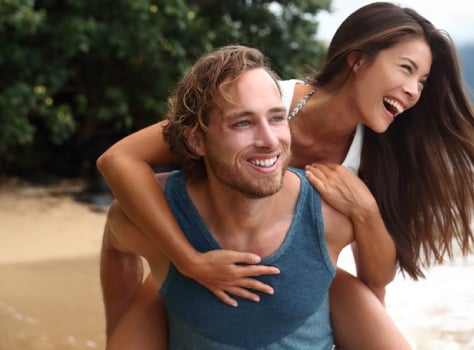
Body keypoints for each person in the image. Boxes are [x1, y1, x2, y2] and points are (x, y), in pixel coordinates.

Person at [98, 1, 474, 347]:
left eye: (422, 81)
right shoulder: (265, 98)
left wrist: (366, 212)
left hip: (303, 283)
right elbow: (120, 160)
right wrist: (186, 260)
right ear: (358, 60)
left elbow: (374, 278)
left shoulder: (373, 159)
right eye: (406, 69)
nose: (413, 90)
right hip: (204, 249)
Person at [103, 45, 407, 349]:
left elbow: (378, 278)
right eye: (243, 123)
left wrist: (366, 211)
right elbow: (116, 244)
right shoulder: (158, 215)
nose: (269, 140)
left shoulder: (328, 215)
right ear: (196, 140)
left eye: (276, 118)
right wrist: (120, 327)